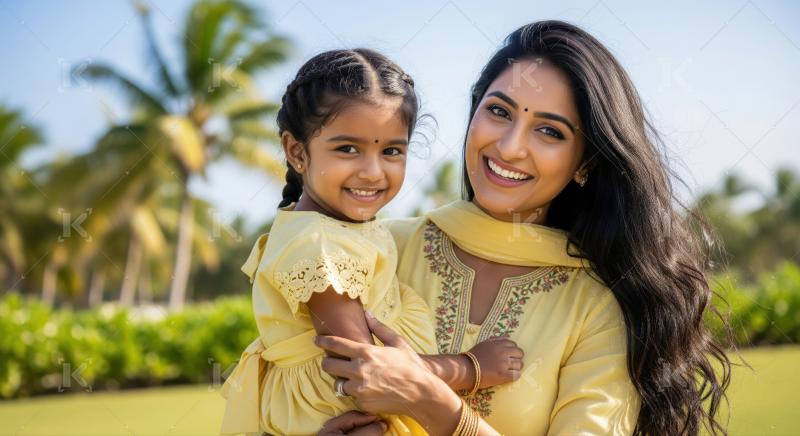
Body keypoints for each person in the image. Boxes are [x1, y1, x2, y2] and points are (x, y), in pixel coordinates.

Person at [316, 21, 733, 436]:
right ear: (474, 112)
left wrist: (430, 400)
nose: (510, 147)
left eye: (549, 131)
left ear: (585, 163)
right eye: (499, 112)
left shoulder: (594, 308)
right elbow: (293, 387)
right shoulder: (374, 248)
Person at [220, 48, 524, 436]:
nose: (372, 172)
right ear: (297, 152)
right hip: (349, 417)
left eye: (391, 151)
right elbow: (368, 371)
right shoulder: (318, 248)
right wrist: (470, 368)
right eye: (348, 149)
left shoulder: (345, 229)